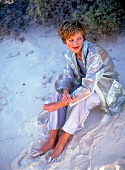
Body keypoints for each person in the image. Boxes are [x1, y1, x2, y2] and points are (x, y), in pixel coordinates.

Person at [31, 20, 125, 162]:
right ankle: (52, 139)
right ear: (65, 41)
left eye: (79, 38)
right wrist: (64, 94)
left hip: (105, 89)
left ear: (83, 37)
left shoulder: (95, 53)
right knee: (58, 92)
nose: (76, 43)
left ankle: (63, 139)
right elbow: (68, 75)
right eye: (71, 40)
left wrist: (60, 105)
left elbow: (88, 88)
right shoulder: (70, 54)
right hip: (88, 84)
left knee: (84, 99)